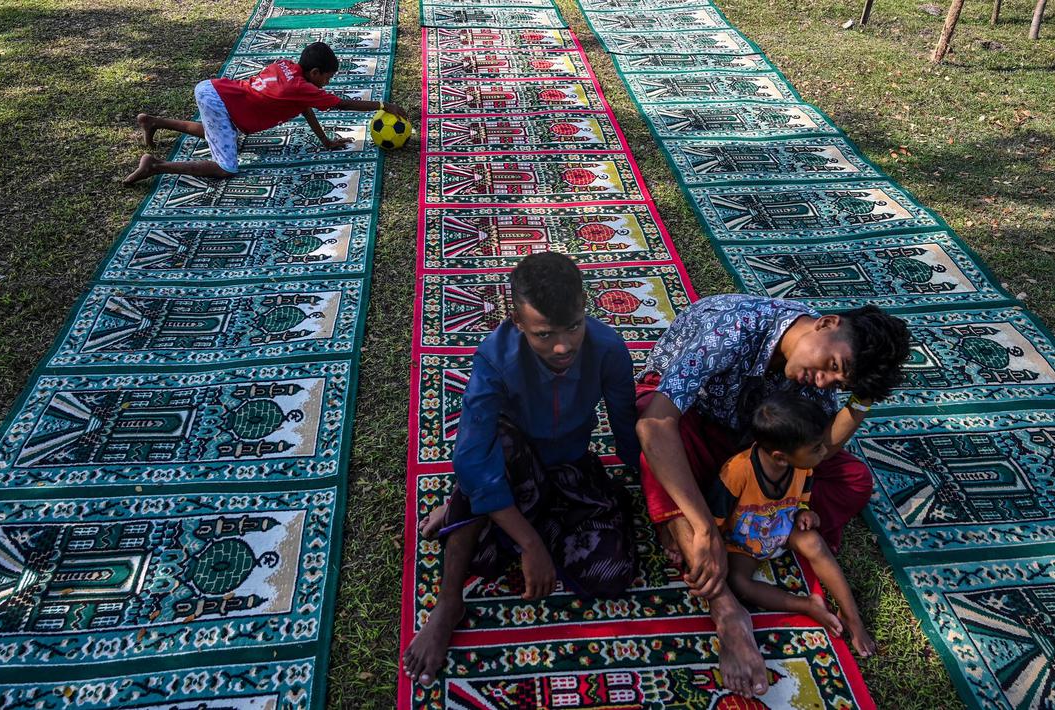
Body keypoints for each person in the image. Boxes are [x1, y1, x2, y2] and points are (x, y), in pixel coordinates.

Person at [635, 294, 908, 696]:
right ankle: (726, 609)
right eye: (834, 367)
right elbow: (656, 423)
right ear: (827, 322)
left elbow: (816, 450)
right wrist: (704, 528)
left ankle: (704, 519)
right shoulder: (732, 327)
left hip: (750, 444)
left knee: (851, 479)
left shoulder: (815, 380)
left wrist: (861, 399)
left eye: (840, 383)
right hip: (688, 417)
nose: (825, 381)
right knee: (657, 445)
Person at [402, 252, 641, 687]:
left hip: (571, 468)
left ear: (585, 308)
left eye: (573, 327)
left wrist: (666, 507)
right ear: (517, 322)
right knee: (492, 454)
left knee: (612, 572)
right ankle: (448, 601)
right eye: (544, 334)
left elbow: (628, 433)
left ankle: (481, 517)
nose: (563, 347)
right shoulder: (495, 358)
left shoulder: (608, 350)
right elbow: (473, 456)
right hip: (512, 465)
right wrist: (532, 546)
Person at [711, 393, 877, 658]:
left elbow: (801, 498)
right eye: (817, 448)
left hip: (783, 527)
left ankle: (852, 616)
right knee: (738, 582)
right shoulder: (737, 471)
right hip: (742, 542)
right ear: (780, 457)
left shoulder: (802, 464)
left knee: (813, 542)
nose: (824, 452)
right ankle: (807, 605)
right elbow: (714, 520)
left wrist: (803, 512)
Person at [123, 41, 406, 184]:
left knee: (222, 131)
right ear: (316, 72)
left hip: (216, 90)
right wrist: (383, 106)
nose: (328, 84)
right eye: (328, 78)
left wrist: (326, 141)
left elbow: (304, 108)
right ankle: (156, 166)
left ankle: (153, 121)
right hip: (220, 100)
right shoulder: (301, 86)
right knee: (225, 167)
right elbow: (341, 104)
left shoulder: (288, 67)